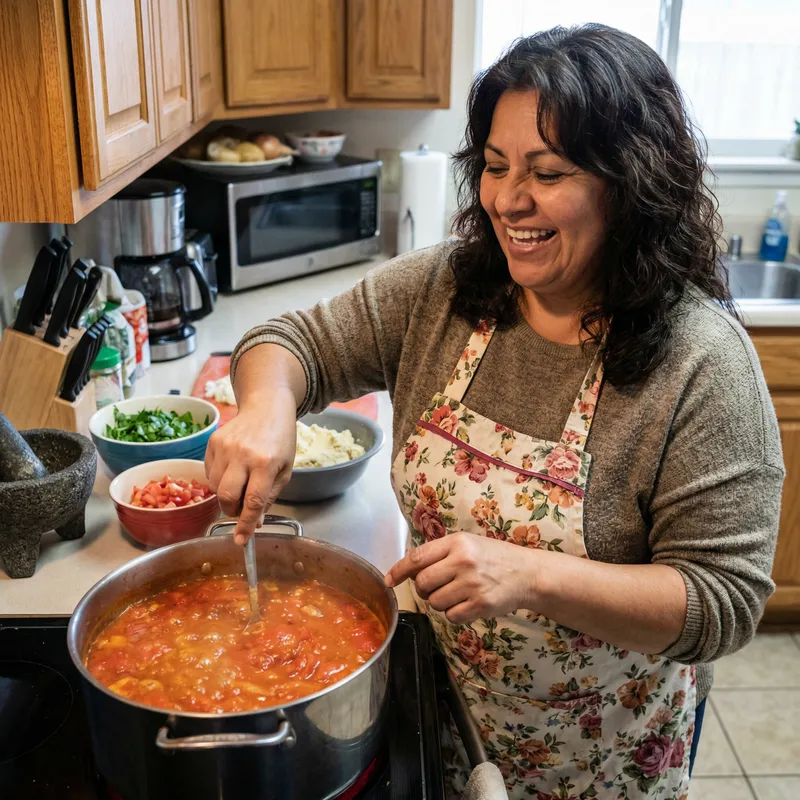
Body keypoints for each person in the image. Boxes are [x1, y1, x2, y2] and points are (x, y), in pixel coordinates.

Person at [205, 25, 783, 800]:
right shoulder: (444, 290)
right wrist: (268, 405)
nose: (510, 200)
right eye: (495, 166)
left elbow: (724, 601)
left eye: (547, 173)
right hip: (441, 711)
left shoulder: (702, 362)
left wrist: (532, 575)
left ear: (632, 183)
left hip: (602, 757)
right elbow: (291, 342)